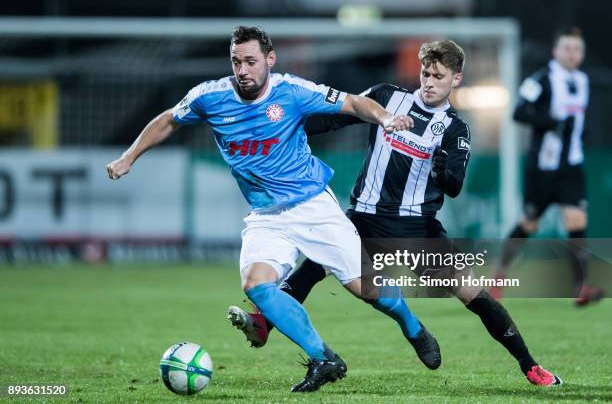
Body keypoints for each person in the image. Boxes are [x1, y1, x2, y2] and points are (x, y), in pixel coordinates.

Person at [106, 25, 440, 393]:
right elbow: (169, 119)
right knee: (257, 285)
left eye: (250, 61)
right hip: (266, 216)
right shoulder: (209, 97)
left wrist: (385, 118)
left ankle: (413, 327)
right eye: (236, 62)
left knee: (365, 289)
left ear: (269, 59)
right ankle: (323, 358)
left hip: (313, 207)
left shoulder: (292, 91)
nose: (243, 70)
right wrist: (129, 156)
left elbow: (353, 102)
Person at [228, 39, 563, 387]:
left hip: (417, 231)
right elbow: (334, 120)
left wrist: (443, 171)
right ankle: (266, 324)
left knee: (473, 295)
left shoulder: (454, 129)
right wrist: (287, 128)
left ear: (456, 79)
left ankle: (530, 367)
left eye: (438, 76)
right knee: (312, 269)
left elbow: (454, 185)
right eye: (425, 73)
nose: (429, 82)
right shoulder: (387, 97)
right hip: (364, 219)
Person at [489, 27, 604, 306]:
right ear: (556, 51)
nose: (572, 53)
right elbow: (519, 112)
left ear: (582, 53)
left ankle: (581, 287)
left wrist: (580, 133)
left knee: (577, 221)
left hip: (571, 167)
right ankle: (498, 276)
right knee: (529, 223)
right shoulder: (542, 79)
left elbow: (577, 121)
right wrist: (550, 121)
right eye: (566, 48)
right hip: (542, 168)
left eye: (577, 49)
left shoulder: (583, 80)